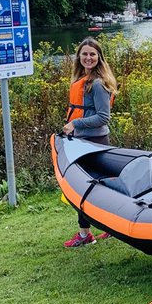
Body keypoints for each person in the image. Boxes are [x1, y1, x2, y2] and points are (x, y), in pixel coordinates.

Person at [62, 37, 117, 247]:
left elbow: (103, 117)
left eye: (92, 54)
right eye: (84, 54)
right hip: (82, 141)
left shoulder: (98, 84)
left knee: (84, 189)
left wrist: (75, 124)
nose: (88, 58)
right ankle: (105, 228)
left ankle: (85, 235)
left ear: (99, 57)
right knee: (91, 187)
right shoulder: (82, 80)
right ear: (79, 57)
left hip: (95, 142)